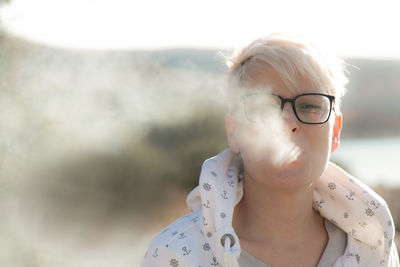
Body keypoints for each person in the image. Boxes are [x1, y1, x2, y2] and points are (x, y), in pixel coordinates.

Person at [141, 33, 399, 267]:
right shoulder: (176, 255)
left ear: (335, 132)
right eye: (263, 106)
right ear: (234, 131)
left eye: (310, 106)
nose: (288, 123)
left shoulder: (371, 244)